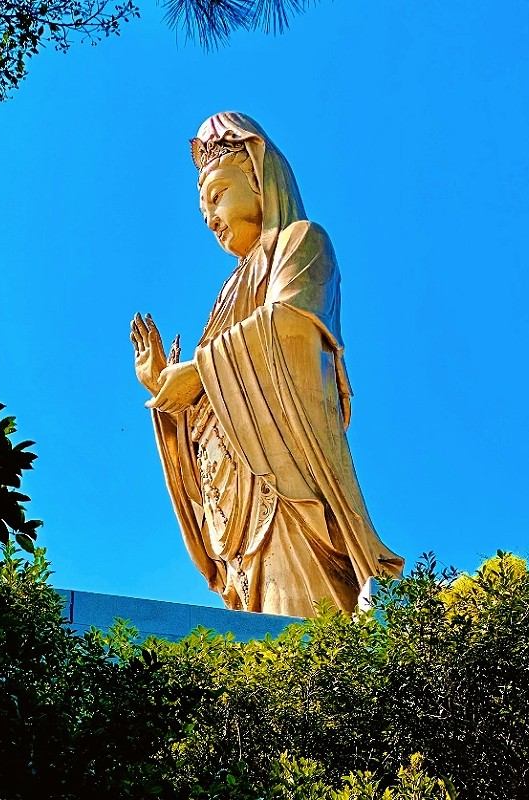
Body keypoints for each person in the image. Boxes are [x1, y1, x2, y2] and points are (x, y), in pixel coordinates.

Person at [130, 112, 403, 617]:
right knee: (254, 637)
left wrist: (200, 371)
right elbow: (214, 395)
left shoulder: (301, 242)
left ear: (258, 178)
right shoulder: (227, 293)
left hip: (285, 479)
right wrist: (167, 391)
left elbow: (291, 327)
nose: (211, 218)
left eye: (217, 195)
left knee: (304, 632)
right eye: (203, 211)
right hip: (232, 495)